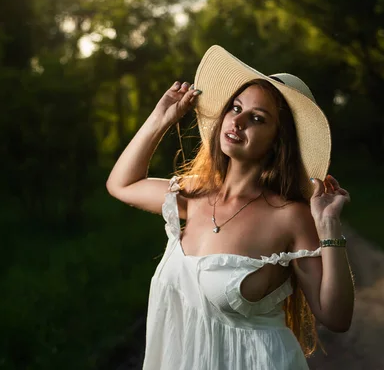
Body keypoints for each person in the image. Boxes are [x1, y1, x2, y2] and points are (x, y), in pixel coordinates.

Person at [106, 45, 355, 369]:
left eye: (256, 118)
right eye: (235, 108)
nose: (237, 121)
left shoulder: (288, 217)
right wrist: (160, 119)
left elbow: (335, 317)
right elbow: (121, 185)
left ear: (279, 141)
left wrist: (329, 227)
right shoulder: (193, 194)